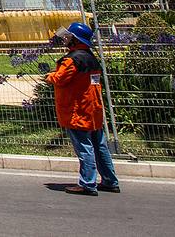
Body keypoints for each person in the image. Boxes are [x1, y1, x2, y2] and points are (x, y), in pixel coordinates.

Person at [45, 22, 120, 196]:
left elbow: (60, 79)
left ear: (75, 40)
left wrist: (50, 76)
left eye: (69, 36)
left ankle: (87, 183)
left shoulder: (72, 60)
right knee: (100, 146)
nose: (66, 39)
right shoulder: (90, 57)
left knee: (84, 147)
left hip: (77, 110)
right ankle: (110, 180)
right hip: (93, 109)